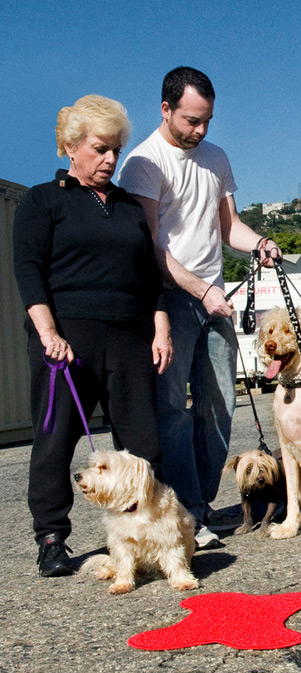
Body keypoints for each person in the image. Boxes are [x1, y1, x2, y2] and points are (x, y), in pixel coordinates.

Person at [119, 66, 281, 549]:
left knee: (219, 407)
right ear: (165, 109)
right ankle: (187, 511)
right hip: (169, 299)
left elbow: (229, 228)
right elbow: (150, 248)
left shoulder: (215, 157)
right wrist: (199, 290)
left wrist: (260, 244)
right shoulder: (143, 164)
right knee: (172, 410)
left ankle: (203, 502)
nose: (200, 131)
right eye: (191, 120)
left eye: (207, 120)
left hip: (214, 299)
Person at [13, 95, 171, 577]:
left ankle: (150, 533)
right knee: (56, 440)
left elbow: (150, 276)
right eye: (100, 149)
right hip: (67, 339)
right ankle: (52, 537)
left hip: (128, 337)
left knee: (144, 442)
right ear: (69, 147)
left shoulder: (126, 207)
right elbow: (28, 269)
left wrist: (159, 326)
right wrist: (47, 332)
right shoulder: (42, 201)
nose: (110, 160)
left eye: (115, 151)